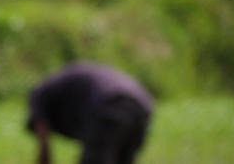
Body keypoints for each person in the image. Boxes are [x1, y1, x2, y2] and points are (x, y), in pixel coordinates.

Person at [26, 61, 154, 164]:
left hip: (109, 104)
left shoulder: (39, 95)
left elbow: (43, 140)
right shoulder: (62, 84)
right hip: (142, 105)